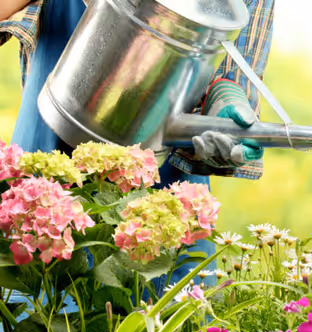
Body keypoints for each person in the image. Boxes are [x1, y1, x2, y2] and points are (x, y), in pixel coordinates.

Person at [0, 0, 275, 288]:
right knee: (42, 317)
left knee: (159, 324)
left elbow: (232, 71)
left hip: (160, 217)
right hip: (43, 196)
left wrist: (225, 103)